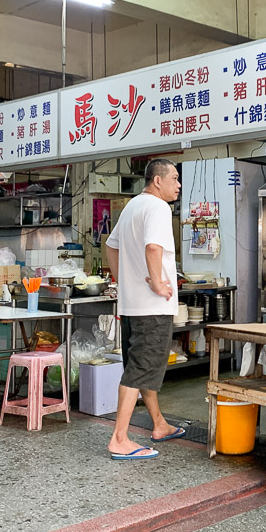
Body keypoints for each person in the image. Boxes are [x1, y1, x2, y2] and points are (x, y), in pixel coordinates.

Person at [104, 158, 184, 460]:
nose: (178, 185)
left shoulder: (133, 206)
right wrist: (157, 284)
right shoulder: (158, 208)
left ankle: (159, 424)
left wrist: (122, 279)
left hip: (132, 305)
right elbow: (153, 248)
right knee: (141, 368)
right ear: (158, 181)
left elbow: (110, 246)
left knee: (141, 365)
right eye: (174, 178)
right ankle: (119, 438)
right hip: (151, 306)